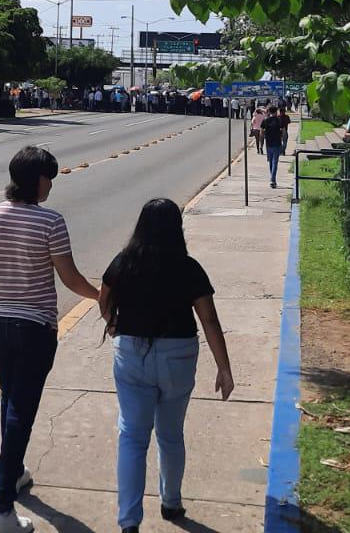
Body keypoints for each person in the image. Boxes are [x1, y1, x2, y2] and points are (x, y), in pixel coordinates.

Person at [0, 147, 99, 533]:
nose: (51, 186)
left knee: (11, 400)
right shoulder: (50, 223)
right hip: (34, 330)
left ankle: (16, 470)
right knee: (20, 412)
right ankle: (0, 508)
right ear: (34, 180)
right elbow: (70, 279)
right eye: (49, 178)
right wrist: (102, 297)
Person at [100, 198, 234, 533]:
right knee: (171, 434)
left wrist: (114, 326)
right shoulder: (188, 267)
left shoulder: (123, 263)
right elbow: (209, 320)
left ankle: (129, 521)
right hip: (179, 356)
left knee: (132, 436)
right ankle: (171, 502)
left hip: (131, 355)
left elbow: (104, 301)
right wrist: (224, 367)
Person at [262, 106, 288, 187]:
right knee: (275, 162)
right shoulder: (279, 120)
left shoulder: (265, 120)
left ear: (269, 112)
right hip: (277, 143)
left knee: (270, 162)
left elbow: (261, 132)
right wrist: (284, 140)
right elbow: (284, 131)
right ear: (276, 112)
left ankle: (272, 178)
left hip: (268, 143)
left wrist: (262, 141)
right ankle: (273, 179)